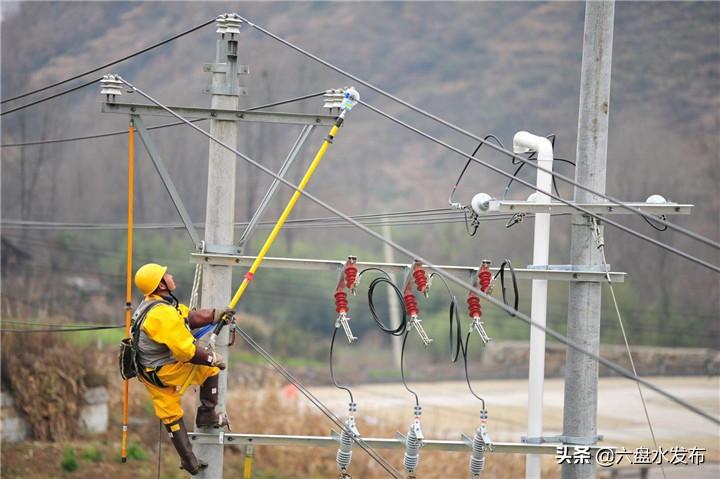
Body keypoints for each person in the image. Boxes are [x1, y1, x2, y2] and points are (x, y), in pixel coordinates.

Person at [132, 263, 233, 475]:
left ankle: (189, 460)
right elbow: (185, 351)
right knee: (208, 370)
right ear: (161, 285)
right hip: (163, 369)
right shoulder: (162, 314)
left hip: (147, 372)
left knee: (170, 414)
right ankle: (207, 415)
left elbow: (189, 317)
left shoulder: (153, 304)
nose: (171, 276)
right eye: (166, 275)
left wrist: (215, 314)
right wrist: (211, 358)